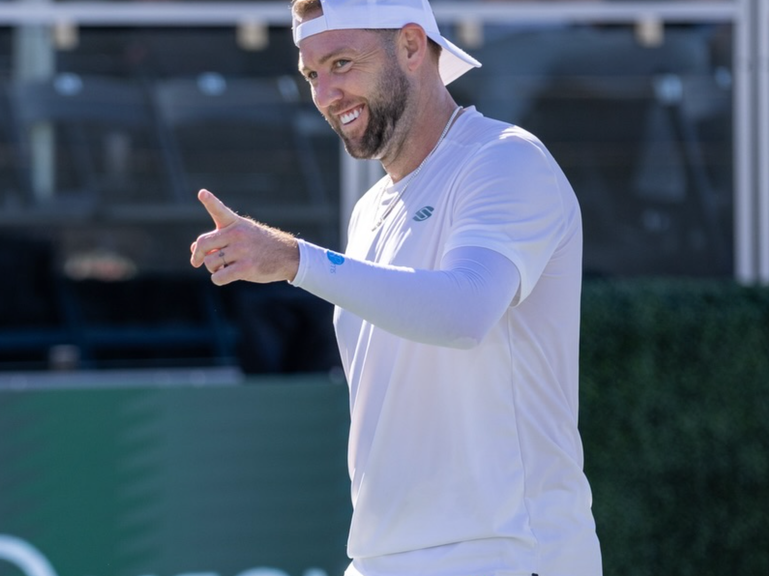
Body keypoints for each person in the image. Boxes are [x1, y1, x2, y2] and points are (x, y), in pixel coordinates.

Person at [188, 0, 603, 575]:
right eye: (312, 74)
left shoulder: (507, 160)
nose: (326, 94)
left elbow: (463, 312)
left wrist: (293, 258)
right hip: (382, 559)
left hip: (508, 555)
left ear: (412, 46)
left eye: (341, 63)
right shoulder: (368, 212)